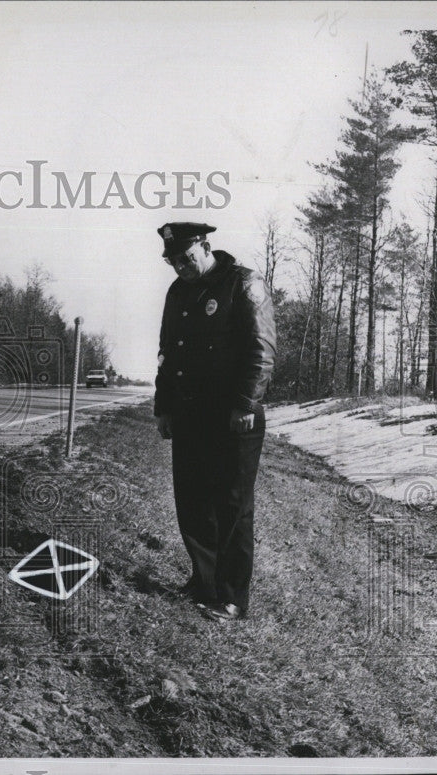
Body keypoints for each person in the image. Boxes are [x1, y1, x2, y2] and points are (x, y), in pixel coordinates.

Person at [153, 222, 276, 622]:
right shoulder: (178, 292)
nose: (180, 267)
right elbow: (168, 352)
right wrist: (164, 407)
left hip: (233, 416)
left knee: (233, 506)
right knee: (193, 502)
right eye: (173, 262)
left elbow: (261, 350)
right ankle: (203, 581)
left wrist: (245, 403)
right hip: (190, 414)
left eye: (186, 258)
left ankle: (231, 597)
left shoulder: (243, 283)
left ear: (205, 247)